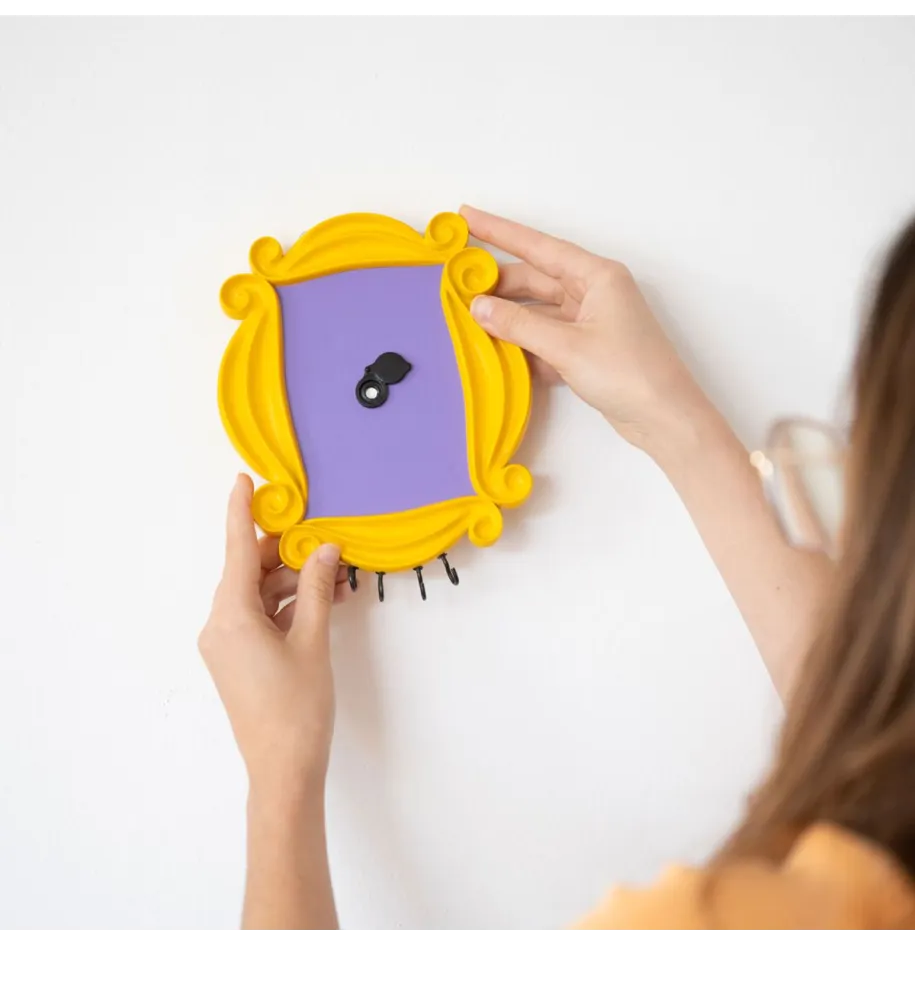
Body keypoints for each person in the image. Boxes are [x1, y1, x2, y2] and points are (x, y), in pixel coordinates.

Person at [198, 205, 915, 932]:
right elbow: (862, 713)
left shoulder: (731, 930)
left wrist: (281, 772)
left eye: (848, 456)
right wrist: (671, 419)